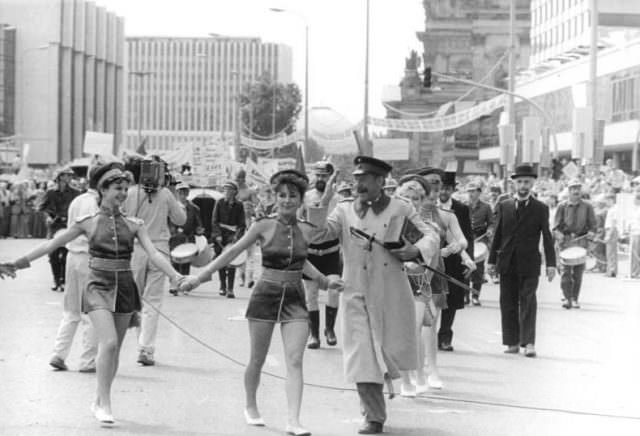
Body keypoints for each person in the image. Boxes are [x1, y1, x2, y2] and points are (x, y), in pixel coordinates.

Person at [2, 162, 185, 424]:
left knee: (116, 351)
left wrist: (175, 275)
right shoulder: (87, 223)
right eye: (117, 189)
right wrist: (16, 264)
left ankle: (100, 399)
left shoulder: (135, 224)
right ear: (103, 190)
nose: (123, 193)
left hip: (125, 288)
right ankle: (105, 404)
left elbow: (155, 253)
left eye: (125, 188)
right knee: (108, 343)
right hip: (97, 285)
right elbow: (52, 244)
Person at [179, 169, 343, 436]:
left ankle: (293, 420)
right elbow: (233, 251)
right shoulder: (262, 225)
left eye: (293, 196)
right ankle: (251, 405)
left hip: (294, 297)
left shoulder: (306, 229)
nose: (287, 200)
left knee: (295, 360)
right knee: (257, 358)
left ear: (301, 199)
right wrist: (199, 278)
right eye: (282, 195)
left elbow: (304, 261)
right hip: (265, 294)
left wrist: (325, 282)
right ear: (275, 198)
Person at [305, 156, 439, 435]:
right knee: (361, 355)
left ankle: (376, 399)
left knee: (388, 351)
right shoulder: (343, 210)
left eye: (364, 179)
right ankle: (374, 416)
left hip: (391, 292)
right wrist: (323, 202)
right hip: (354, 293)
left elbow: (430, 237)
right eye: (356, 179)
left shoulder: (400, 207)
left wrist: (415, 251)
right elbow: (318, 236)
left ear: (381, 181)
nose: (358, 184)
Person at [122, 157, 187, 366]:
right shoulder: (166, 194)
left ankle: (141, 345)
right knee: (153, 302)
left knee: (137, 301)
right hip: (158, 249)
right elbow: (181, 220)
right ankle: (146, 348)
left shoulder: (130, 192)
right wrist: (174, 195)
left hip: (135, 251)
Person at [488, 164, 556, 358]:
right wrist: (491, 261)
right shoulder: (504, 205)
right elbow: (498, 235)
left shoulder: (541, 208)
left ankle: (529, 343)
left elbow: (547, 236)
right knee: (507, 302)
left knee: (528, 301)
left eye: (527, 182)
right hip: (507, 261)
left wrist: (551, 264)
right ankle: (512, 342)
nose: (523, 185)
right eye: (519, 182)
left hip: (530, 262)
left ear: (533, 183)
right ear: (514, 184)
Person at [49, 164, 101, 372]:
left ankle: (58, 354)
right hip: (91, 258)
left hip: (73, 256)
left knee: (71, 311)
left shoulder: (77, 200)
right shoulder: (99, 203)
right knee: (92, 312)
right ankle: (87, 361)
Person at [394, 175, 441, 397]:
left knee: (414, 329)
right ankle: (406, 380)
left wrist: (415, 263)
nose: (410, 202)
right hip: (392, 282)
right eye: (405, 197)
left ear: (421, 202)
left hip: (418, 284)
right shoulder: (389, 224)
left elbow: (430, 261)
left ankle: (421, 374)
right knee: (400, 331)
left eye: (415, 198)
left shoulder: (428, 229)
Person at [301, 161, 342, 349]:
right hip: (311, 252)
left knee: (334, 290)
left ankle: (330, 329)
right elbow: (299, 220)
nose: (320, 179)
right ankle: (314, 335)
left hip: (331, 251)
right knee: (311, 294)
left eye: (324, 176)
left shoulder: (339, 198)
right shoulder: (306, 197)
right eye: (317, 175)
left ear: (330, 177)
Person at [437, 171, 475, 351]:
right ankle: (426, 337)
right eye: (441, 188)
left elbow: (468, 236)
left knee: (451, 300)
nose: (443, 192)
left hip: (454, 260)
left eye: (447, 188)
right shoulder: (427, 206)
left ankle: (445, 336)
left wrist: (469, 261)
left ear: (452, 190)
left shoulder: (461, 209)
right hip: (432, 258)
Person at [553, 179, 596, 309]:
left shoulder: (587, 206)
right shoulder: (562, 206)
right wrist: (558, 234)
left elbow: (593, 225)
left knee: (578, 272)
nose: (576, 191)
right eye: (573, 188)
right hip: (566, 241)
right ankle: (567, 297)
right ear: (569, 191)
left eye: (578, 188)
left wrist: (592, 233)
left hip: (581, 241)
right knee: (565, 271)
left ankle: (574, 298)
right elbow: (555, 226)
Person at [39, 167, 80, 292]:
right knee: (53, 255)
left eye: (71, 175)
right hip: (54, 225)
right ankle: (56, 280)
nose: (70, 177)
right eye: (67, 175)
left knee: (67, 255)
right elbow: (42, 208)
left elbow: (79, 208)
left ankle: (64, 280)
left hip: (68, 226)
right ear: (60, 176)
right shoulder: (50, 192)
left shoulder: (75, 193)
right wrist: (47, 217)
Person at [211, 180, 246, 298]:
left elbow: (242, 224)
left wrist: (237, 237)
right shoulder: (219, 203)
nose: (226, 192)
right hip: (220, 234)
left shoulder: (239, 205)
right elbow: (214, 221)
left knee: (232, 261)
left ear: (234, 192)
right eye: (225, 189)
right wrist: (218, 235)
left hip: (232, 235)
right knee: (221, 260)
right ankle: (222, 286)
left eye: (229, 190)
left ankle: (230, 288)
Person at [168, 182, 204, 296]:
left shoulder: (194, 208)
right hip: (175, 238)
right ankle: (174, 284)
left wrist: (199, 230)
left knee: (186, 262)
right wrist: (174, 231)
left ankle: (184, 285)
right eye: (180, 192)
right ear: (177, 193)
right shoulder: (172, 207)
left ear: (188, 193)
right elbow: (168, 222)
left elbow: (198, 223)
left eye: (185, 192)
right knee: (174, 262)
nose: (183, 195)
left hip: (188, 238)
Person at [466, 182, 494, 306]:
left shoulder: (486, 207)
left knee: (478, 269)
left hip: (480, 239)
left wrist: (490, 230)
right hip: (466, 240)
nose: (471, 194)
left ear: (479, 192)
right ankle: (465, 296)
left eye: (473, 191)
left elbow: (492, 222)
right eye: (469, 191)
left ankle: (475, 296)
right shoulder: (463, 206)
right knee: (465, 268)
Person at [603, 193, 618, 277]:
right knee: (609, 252)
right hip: (608, 229)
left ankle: (612, 271)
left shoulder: (615, 209)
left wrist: (609, 234)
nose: (606, 202)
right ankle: (611, 270)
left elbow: (614, 222)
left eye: (607, 200)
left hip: (611, 230)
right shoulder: (610, 209)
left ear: (611, 200)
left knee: (611, 252)